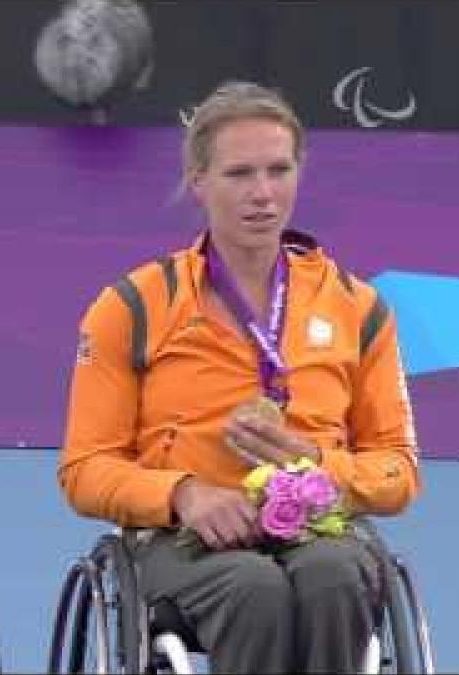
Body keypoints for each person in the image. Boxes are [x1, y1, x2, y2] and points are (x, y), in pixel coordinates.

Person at [58, 80, 420, 674]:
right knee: (255, 588)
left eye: (279, 170)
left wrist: (321, 468)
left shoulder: (359, 308)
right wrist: (181, 494)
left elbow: (399, 471)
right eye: (239, 174)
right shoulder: (134, 306)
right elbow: (83, 470)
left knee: (331, 576)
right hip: (187, 542)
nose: (263, 194)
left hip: (319, 529)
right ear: (198, 183)